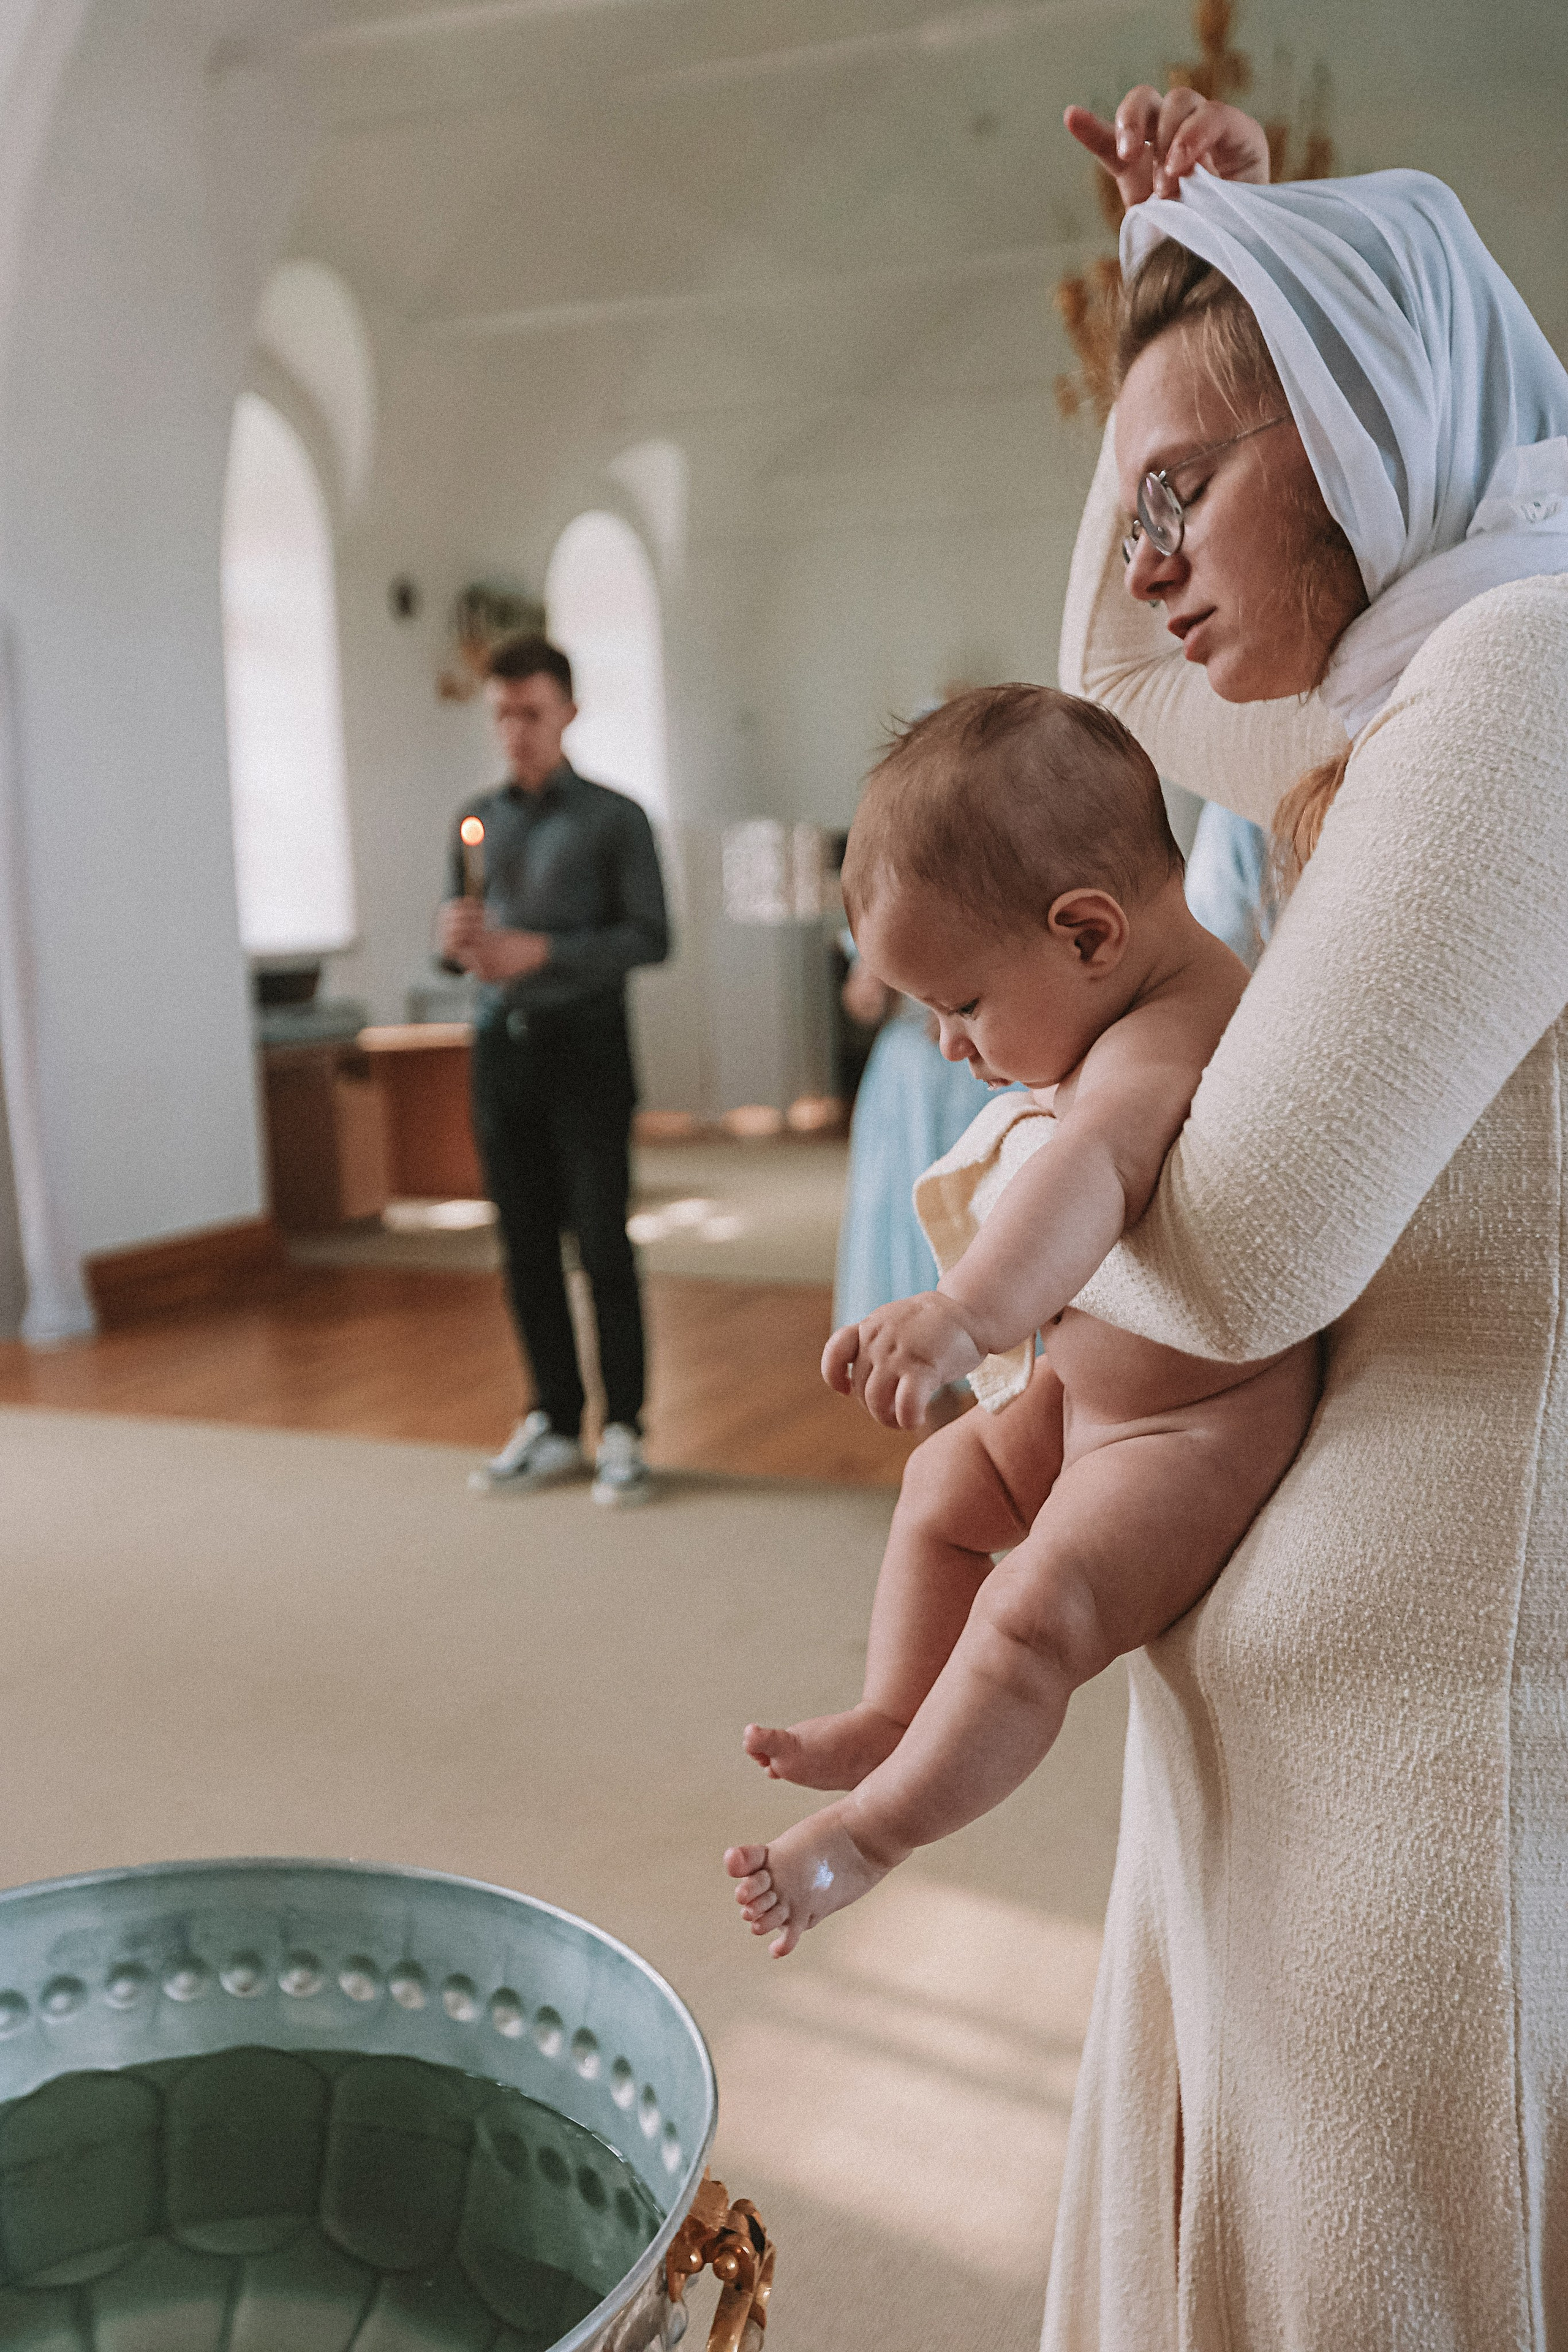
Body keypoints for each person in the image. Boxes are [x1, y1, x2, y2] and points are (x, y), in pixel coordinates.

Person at [986, 88, 1568, 2348]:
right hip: (1321, 1712)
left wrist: (1009, 1199)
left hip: (1436, 1742)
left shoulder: (1523, 676)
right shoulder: (1410, 686)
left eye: (1187, 491)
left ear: (1357, 424)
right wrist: (1188, 276)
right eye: (1136, 501)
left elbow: (1243, 1251)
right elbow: (1098, 731)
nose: (1146, 555)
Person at [724, 687, 1317, 1955]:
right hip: (1088, 1395)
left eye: (963, 1005)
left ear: (1087, 934)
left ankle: (876, 1834)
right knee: (942, 1485)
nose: (946, 1044)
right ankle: (896, 1710)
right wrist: (925, 1313)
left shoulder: (1167, 1037)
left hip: (1191, 1435)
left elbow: (1087, 1175)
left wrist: (957, 1313)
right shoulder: (1106, 1014)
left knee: (1031, 1610)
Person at [440, 636, 669, 1507]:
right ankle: (552, 1417)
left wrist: (544, 951)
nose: (516, 730)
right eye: (502, 714)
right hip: (500, 1054)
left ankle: (624, 1427)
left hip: (588, 1051)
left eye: (531, 713)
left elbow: (651, 937)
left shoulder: (617, 818)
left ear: (567, 711)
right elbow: (469, 947)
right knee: (523, 1248)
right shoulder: (478, 817)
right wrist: (456, 947)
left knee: (603, 1244)